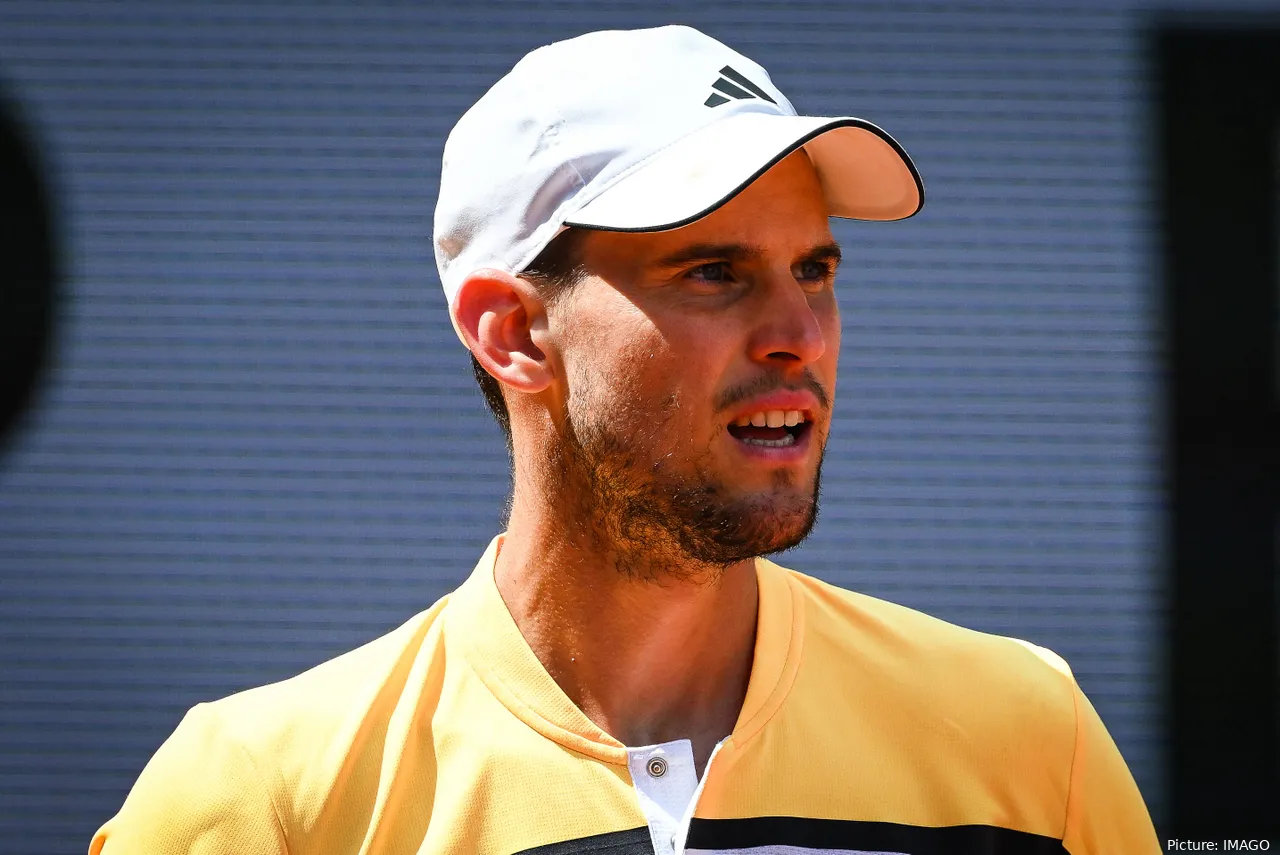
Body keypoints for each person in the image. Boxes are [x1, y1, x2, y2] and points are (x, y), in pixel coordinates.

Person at [90, 25, 1160, 855]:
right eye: (713, 273)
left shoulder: (1023, 737)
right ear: (512, 332)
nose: (798, 337)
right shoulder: (257, 794)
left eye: (815, 270)